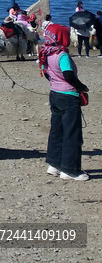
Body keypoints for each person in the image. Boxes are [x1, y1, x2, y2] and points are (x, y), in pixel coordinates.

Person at [39, 23, 89, 180]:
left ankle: (54, 164)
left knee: (56, 131)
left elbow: (46, 73)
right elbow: (68, 75)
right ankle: (70, 170)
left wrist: (56, 82)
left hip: (54, 94)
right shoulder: (62, 55)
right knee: (72, 133)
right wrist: (82, 87)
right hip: (68, 96)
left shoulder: (45, 52)